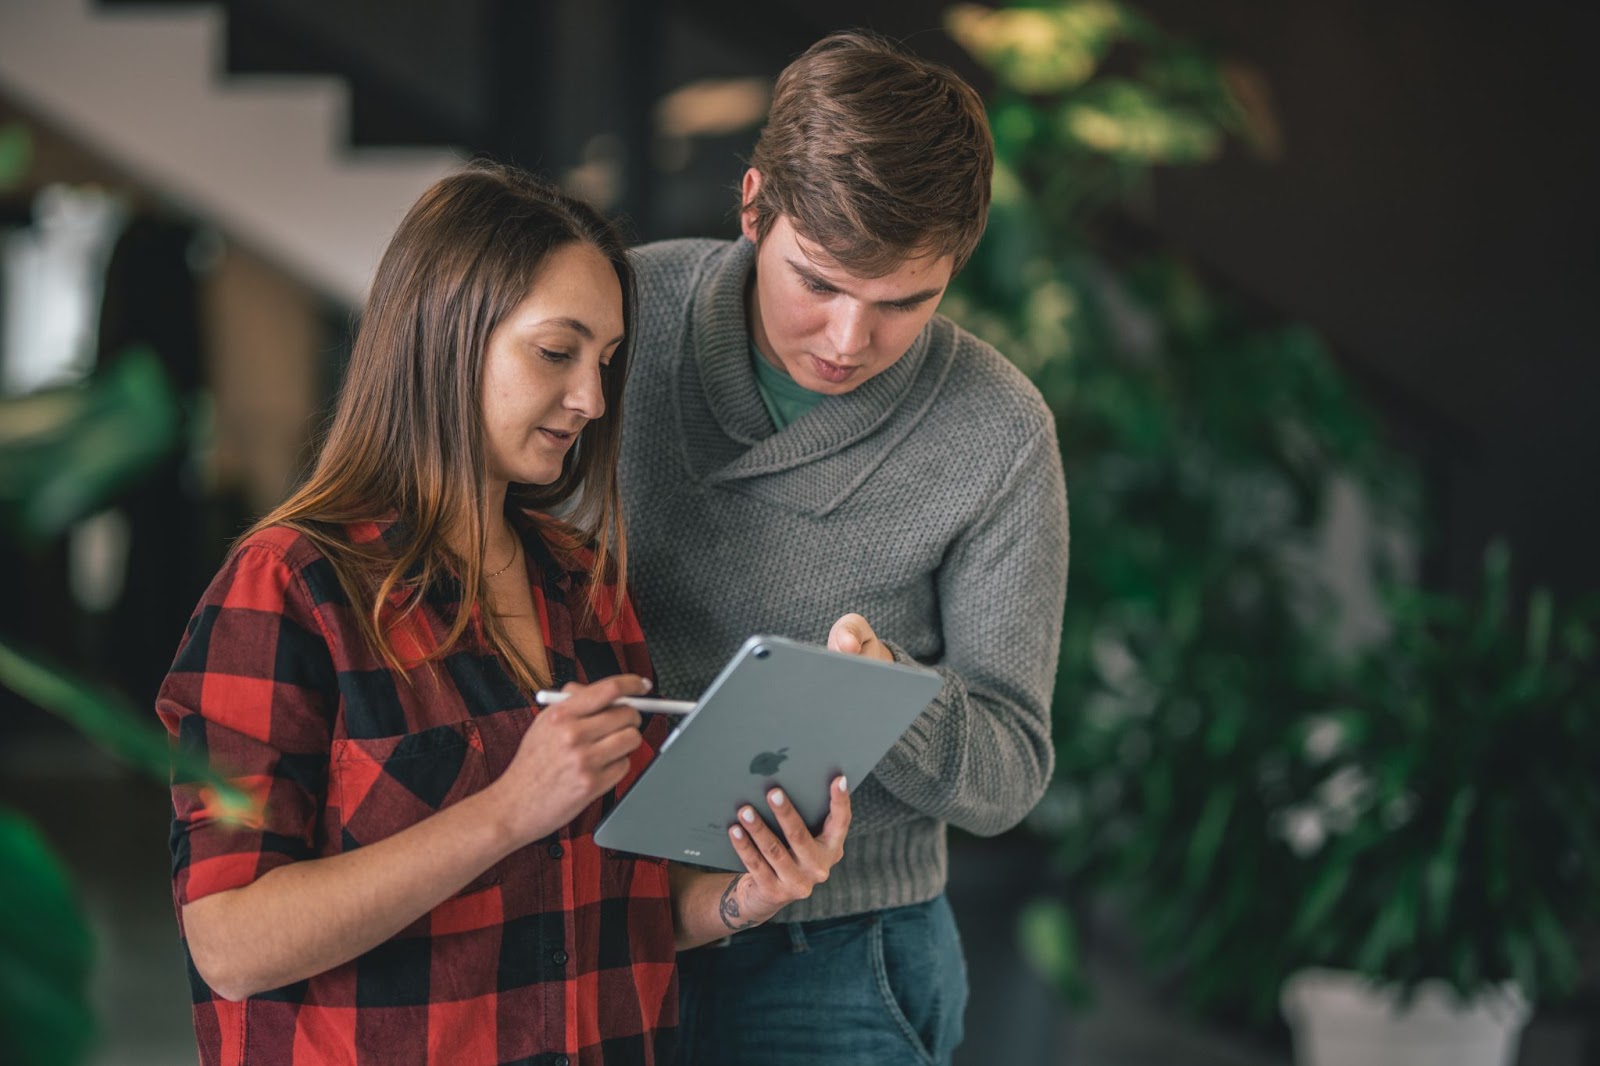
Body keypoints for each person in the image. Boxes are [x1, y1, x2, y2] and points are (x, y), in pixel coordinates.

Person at [156, 162, 850, 1066]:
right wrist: (506, 811)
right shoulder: (289, 588)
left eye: (604, 362)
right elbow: (231, 945)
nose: (593, 401)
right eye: (556, 352)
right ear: (443, 335)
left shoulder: (584, 585)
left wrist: (742, 897)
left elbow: (609, 905)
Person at [619, 30, 1070, 1065]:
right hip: (589, 908)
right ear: (751, 207)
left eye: (904, 302)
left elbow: (1010, 775)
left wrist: (890, 699)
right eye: (817, 282)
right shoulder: (624, 319)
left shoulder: (997, 430)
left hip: (842, 952)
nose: (845, 341)